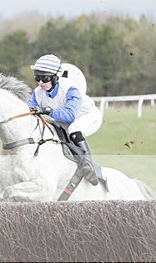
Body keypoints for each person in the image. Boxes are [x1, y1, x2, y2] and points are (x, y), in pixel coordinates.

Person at [28, 54, 103, 184]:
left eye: (44, 78)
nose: (40, 83)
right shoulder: (37, 92)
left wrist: (47, 111)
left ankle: (88, 166)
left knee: (74, 130)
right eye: (37, 78)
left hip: (88, 116)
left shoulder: (70, 88)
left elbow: (70, 115)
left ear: (55, 77)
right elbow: (30, 110)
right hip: (63, 119)